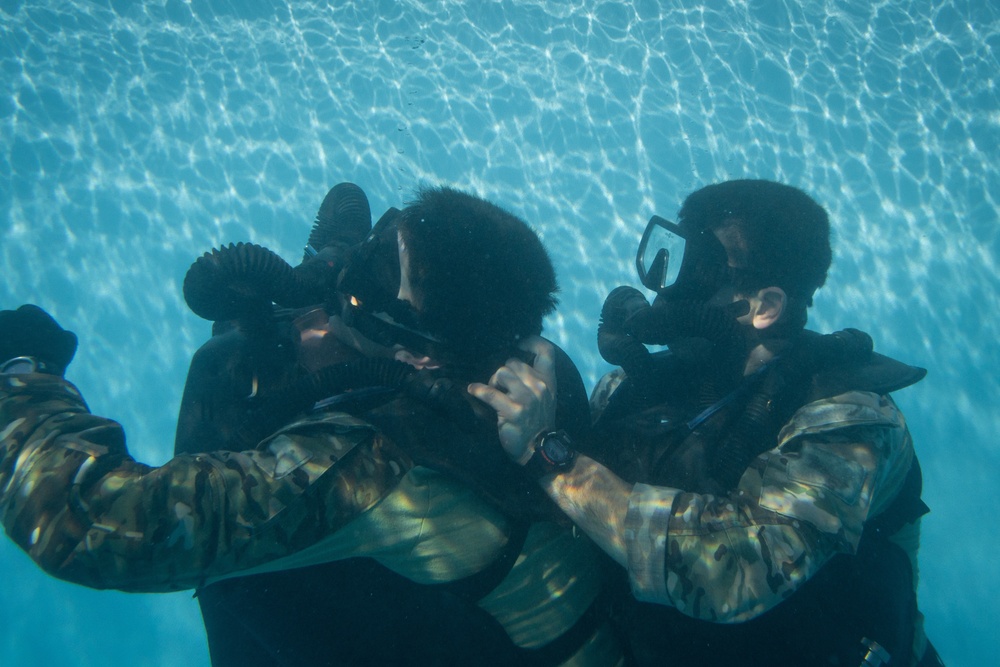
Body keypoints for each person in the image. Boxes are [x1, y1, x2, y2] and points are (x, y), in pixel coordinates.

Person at [0, 185, 624, 666]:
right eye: (380, 240)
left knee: (236, 580)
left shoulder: (369, 463)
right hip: (472, 626)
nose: (349, 274)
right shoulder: (531, 367)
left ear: (419, 357)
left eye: (379, 274)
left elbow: (87, 521)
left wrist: (22, 373)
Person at [471, 179, 942, 666]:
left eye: (700, 270)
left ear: (766, 307)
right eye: (674, 257)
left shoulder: (850, 422)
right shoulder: (630, 386)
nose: (668, 288)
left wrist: (550, 454)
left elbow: (734, 572)